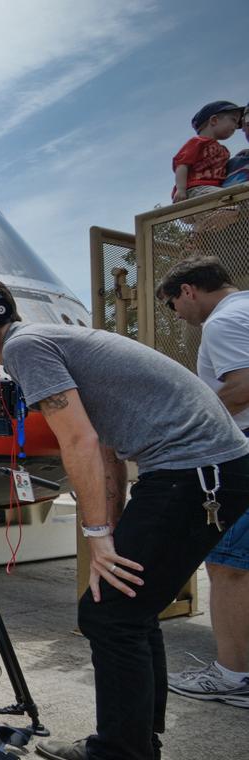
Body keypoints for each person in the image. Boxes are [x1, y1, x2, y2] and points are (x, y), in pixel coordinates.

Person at [0, 275, 249, 760]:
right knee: (132, 606)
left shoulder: (27, 346)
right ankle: (131, 754)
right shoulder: (46, 344)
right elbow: (101, 440)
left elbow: (75, 439)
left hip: (195, 470)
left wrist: (98, 537)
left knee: (111, 613)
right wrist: (115, 523)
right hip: (194, 468)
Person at [156, 256, 249, 707]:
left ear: (189, 290)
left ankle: (234, 676)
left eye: (174, 304)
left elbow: (243, 386)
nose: (178, 316)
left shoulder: (223, 323)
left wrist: (187, 426)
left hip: (243, 448)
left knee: (228, 565)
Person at [172, 100, 242, 203]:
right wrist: (181, 189)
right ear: (214, 120)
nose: (236, 126)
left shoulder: (224, 151)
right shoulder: (197, 142)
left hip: (212, 190)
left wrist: (241, 156)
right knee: (232, 200)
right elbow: (182, 164)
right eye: (234, 120)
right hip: (196, 189)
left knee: (230, 207)